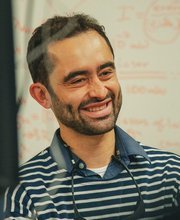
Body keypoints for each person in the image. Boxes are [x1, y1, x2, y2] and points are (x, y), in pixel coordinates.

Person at [4, 13, 180, 220]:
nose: (99, 91)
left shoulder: (171, 175)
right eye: (78, 80)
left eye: (105, 73)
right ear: (43, 95)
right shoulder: (21, 193)